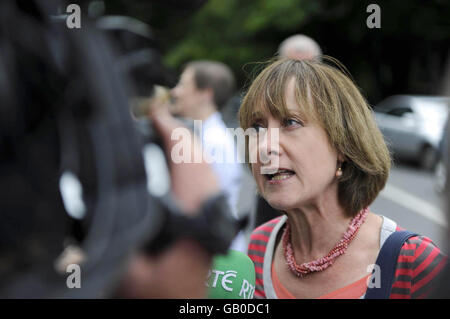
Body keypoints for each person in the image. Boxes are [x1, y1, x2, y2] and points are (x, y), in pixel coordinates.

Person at [241, 58, 447, 299]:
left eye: (291, 122)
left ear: (342, 146)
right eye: (257, 127)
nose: (265, 146)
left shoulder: (414, 263)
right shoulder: (261, 245)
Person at [170, 61, 246, 251]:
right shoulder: (203, 135)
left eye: (183, 84)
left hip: (217, 257)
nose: (175, 92)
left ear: (205, 94)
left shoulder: (214, 142)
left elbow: (203, 204)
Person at [254, 34, 323, 229]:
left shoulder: (331, 107)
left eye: (307, 65)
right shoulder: (261, 100)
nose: (297, 73)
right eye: (290, 64)